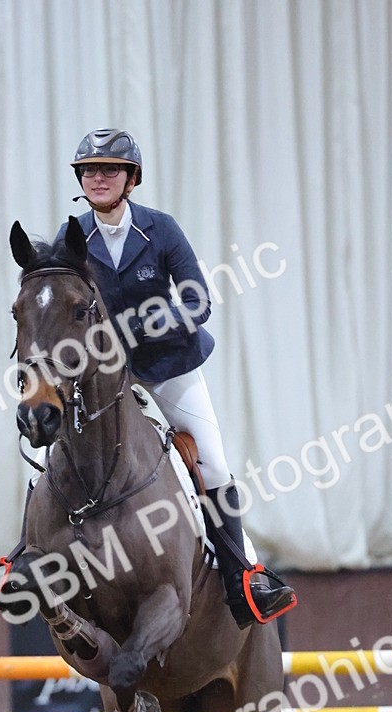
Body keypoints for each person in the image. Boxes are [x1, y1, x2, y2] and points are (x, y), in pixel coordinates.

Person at [62, 128, 296, 628]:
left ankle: (242, 578)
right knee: (54, 454)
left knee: (212, 464)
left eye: (110, 170)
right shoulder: (73, 237)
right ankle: (21, 562)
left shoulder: (161, 229)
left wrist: (144, 326)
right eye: (89, 171)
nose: (98, 178)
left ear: (131, 179)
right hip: (105, 377)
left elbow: (198, 301)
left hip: (169, 369)